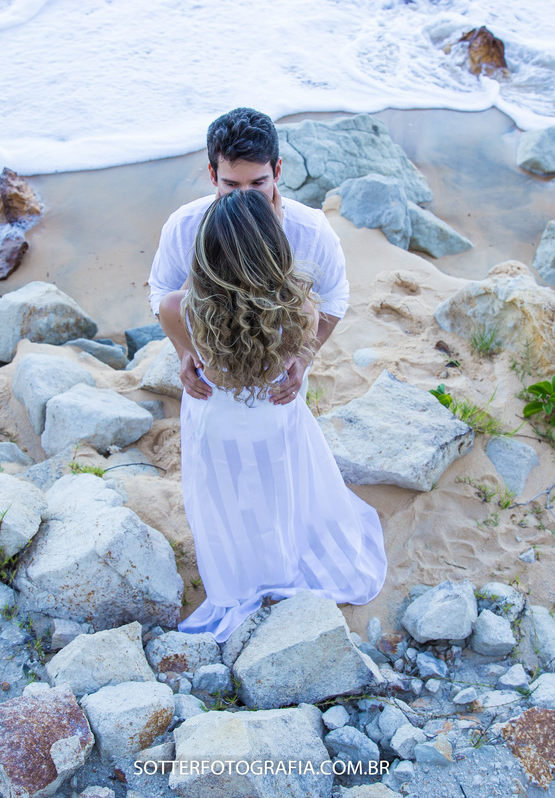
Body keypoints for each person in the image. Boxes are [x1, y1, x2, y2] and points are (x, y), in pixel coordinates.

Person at [156, 189, 387, 643]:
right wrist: (297, 361)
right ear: (274, 252)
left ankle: (237, 578)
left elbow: (178, 333)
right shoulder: (300, 307)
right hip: (274, 415)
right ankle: (282, 565)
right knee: (278, 489)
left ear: (205, 254)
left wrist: (188, 348)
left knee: (222, 496)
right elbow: (300, 351)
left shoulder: (178, 307)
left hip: (215, 420)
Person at [149, 107, 348, 405]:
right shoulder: (184, 225)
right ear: (213, 175)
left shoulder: (312, 230)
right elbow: (162, 292)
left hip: (278, 388)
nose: (245, 197)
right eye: (231, 185)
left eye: (258, 183)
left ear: (277, 171)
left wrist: (304, 356)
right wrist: (185, 349)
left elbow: (334, 296)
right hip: (210, 384)